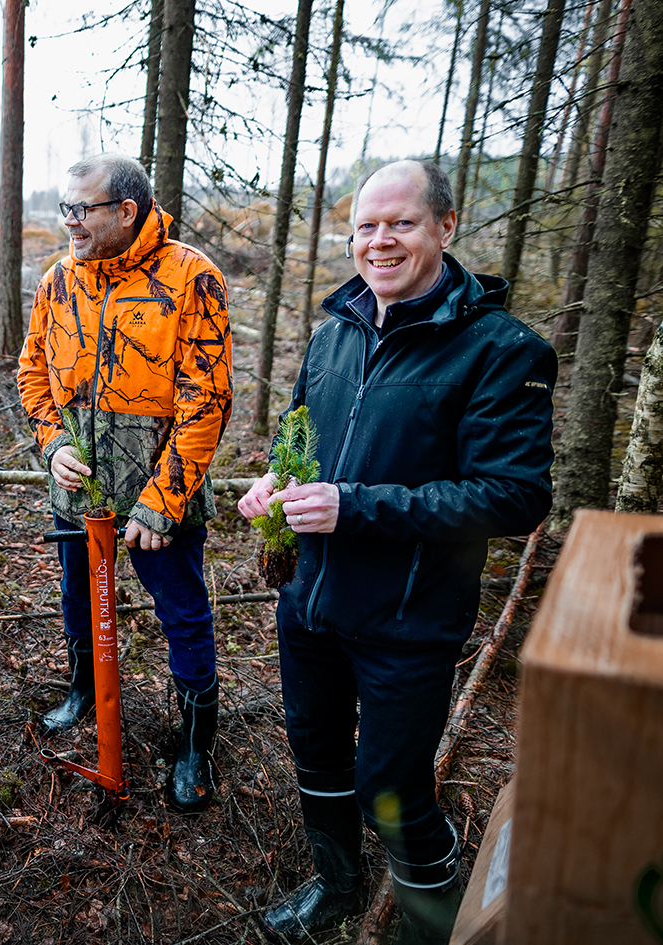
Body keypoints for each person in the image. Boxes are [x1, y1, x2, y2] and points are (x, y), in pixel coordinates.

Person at [237, 160, 556, 945]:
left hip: (409, 618)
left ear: (445, 228)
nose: (379, 240)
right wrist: (277, 476)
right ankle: (336, 886)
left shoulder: (499, 349)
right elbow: (297, 431)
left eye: (400, 222)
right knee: (314, 749)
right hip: (309, 601)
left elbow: (515, 495)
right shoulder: (335, 330)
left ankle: (428, 918)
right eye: (365, 226)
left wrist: (353, 506)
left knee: (389, 783)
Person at [17, 153, 233, 813]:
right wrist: (52, 442)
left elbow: (205, 402)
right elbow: (31, 371)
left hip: (157, 499)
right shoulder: (58, 279)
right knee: (76, 594)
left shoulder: (190, 276)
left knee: (182, 613)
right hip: (79, 492)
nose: (70, 222)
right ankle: (85, 689)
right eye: (64, 208)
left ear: (126, 211)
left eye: (81, 209)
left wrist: (160, 502)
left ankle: (194, 740)